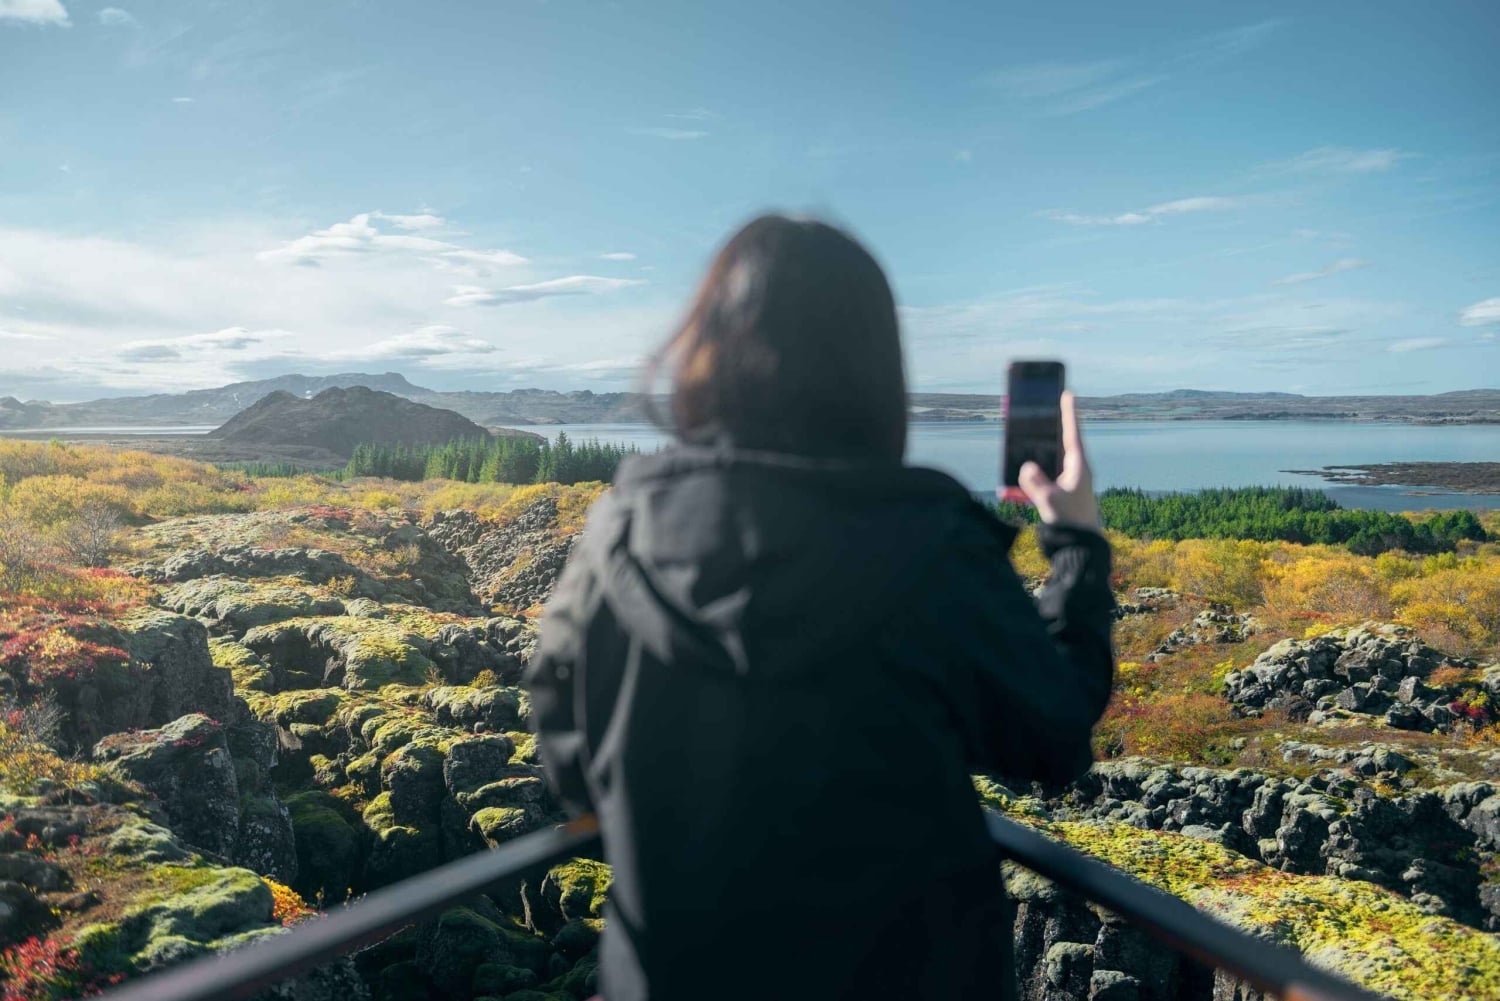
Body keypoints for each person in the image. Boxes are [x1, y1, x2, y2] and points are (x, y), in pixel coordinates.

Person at [524, 214, 1115, 1001]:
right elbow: (1053, 734)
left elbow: (568, 760)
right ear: (874, 371)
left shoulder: (616, 537)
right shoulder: (934, 549)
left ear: (707, 357)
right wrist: (1075, 543)